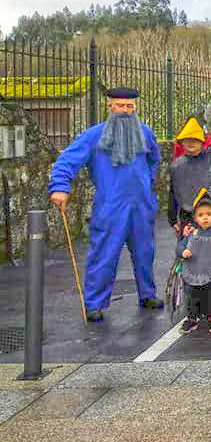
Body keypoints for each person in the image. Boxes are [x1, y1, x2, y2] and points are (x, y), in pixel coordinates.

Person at [49, 87, 163, 322]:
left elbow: (155, 160)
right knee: (104, 253)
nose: (125, 111)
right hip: (111, 205)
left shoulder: (145, 133)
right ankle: (94, 303)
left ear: (136, 108)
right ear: (110, 106)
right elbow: (66, 160)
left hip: (142, 205)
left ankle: (147, 293)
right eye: (120, 105)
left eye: (129, 106)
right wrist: (60, 186)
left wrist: (147, 185)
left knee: (145, 252)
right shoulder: (94, 136)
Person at [177, 189, 211, 334]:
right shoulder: (193, 232)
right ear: (195, 218)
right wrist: (184, 251)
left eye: (208, 214)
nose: (205, 218)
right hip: (194, 271)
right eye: (201, 215)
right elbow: (180, 246)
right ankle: (192, 318)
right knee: (192, 295)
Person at [168, 116, 211, 237]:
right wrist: (173, 219)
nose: (191, 143)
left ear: (202, 142)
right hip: (188, 218)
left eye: (195, 140)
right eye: (187, 140)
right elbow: (174, 193)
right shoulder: (177, 165)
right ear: (182, 142)